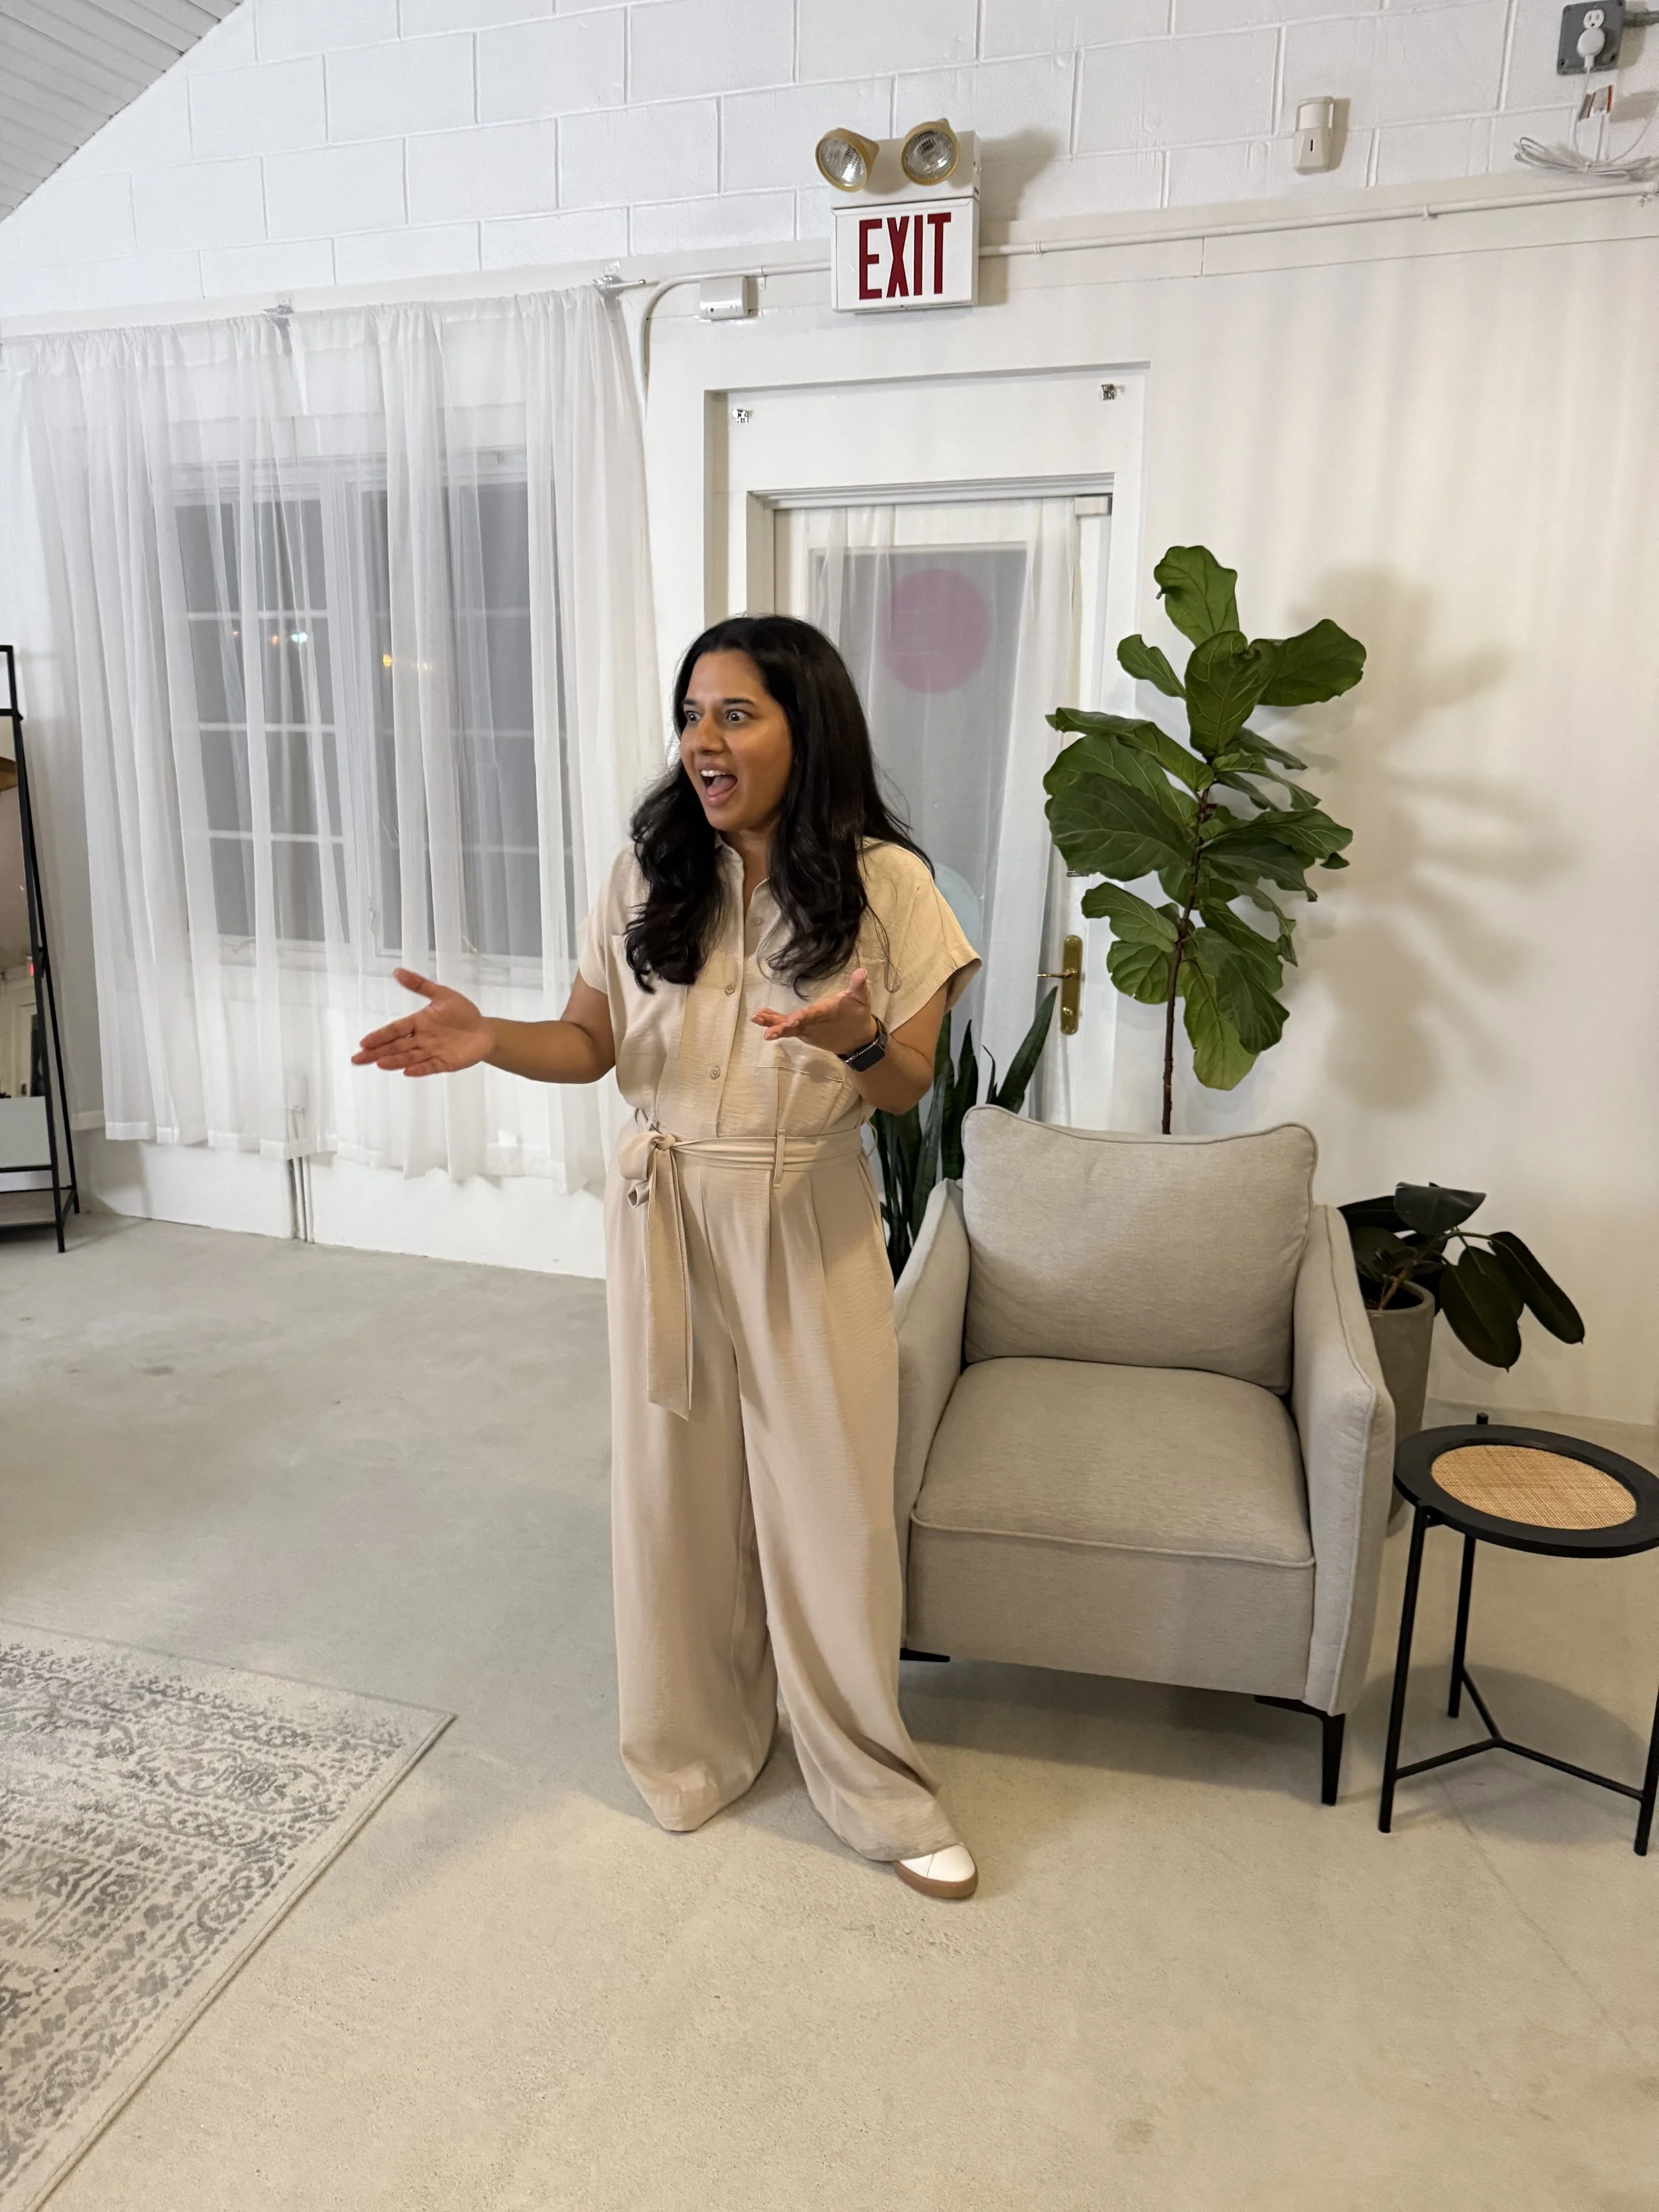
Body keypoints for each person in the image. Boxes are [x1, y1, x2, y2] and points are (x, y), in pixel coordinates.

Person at [354, 615, 981, 1899]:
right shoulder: (650, 873)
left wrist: (856, 1039)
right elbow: (591, 1043)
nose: (704, 740)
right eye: (693, 714)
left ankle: (867, 1778)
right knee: (673, 1500)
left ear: (808, 729)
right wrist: (491, 1039)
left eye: (736, 714)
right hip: (666, 1207)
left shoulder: (890, 889)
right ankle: (697, 1746)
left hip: (804, 1207)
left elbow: (909, 1087)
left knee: (833, 1511)